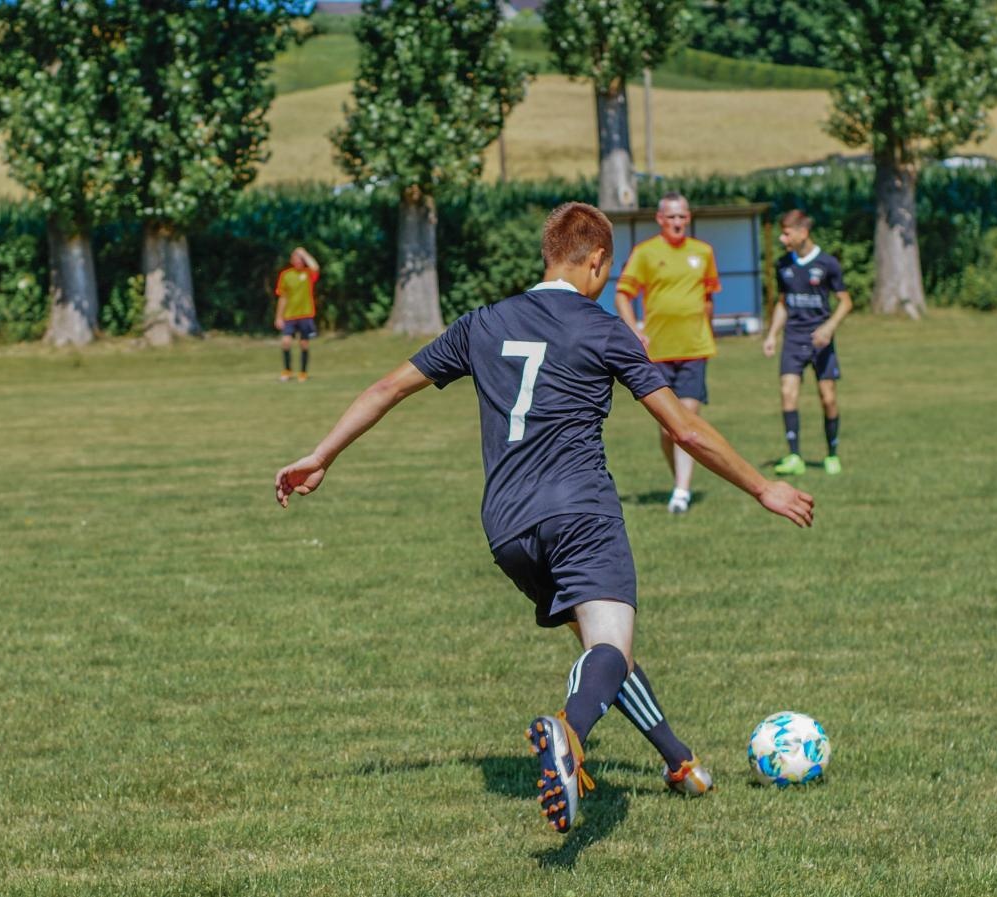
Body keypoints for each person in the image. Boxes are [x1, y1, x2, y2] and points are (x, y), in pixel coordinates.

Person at [274, 203, 814, 834]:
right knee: (608, 647)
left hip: (507, 525)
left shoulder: (483, 322)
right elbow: (685, 431)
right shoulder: (604, 327)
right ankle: (570, 735)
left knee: (601, 654)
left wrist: (322, 454)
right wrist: (760, 487)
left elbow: (386, 388)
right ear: (597, 262)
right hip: (580, 508)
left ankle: (678, 760)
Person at [614, 193, 721, 514]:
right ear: (660, 219)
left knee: (686, 421)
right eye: (671, 217)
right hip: (657, 353)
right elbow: (622, 295)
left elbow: (708, 296)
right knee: (667, 430)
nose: (677, 222)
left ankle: (681, 492)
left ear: (689, 218)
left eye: (682, 217)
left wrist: (706, 329)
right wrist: (634, 329)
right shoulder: (645, 253)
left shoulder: (703, 252)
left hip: (694, 350)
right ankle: (681, 483)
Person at [764, 210, 851, 475]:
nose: (782, 238)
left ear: (803, 232)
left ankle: (832, 454)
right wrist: (772, 335)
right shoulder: (783, 265)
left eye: (787, 233)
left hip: (821, 341)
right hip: (794, 337)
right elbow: (783, 304)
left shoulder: (827, 263)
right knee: (788, 393)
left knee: (828, 398)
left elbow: (846, 302)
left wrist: (829, 327)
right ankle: (794, 457)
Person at [273, 247, 321, 382]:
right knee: (286, 342)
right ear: (291, 260)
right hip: (289, 315)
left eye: (301, 259)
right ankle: (287, 370)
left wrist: (304, 253)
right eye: (296, 258)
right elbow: (283, 297)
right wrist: (278, 316)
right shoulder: (286, 275)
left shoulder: (308, 274)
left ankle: (303, 372)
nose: (299, 261)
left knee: (304, 344)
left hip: (305, 314)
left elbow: (315, 267)